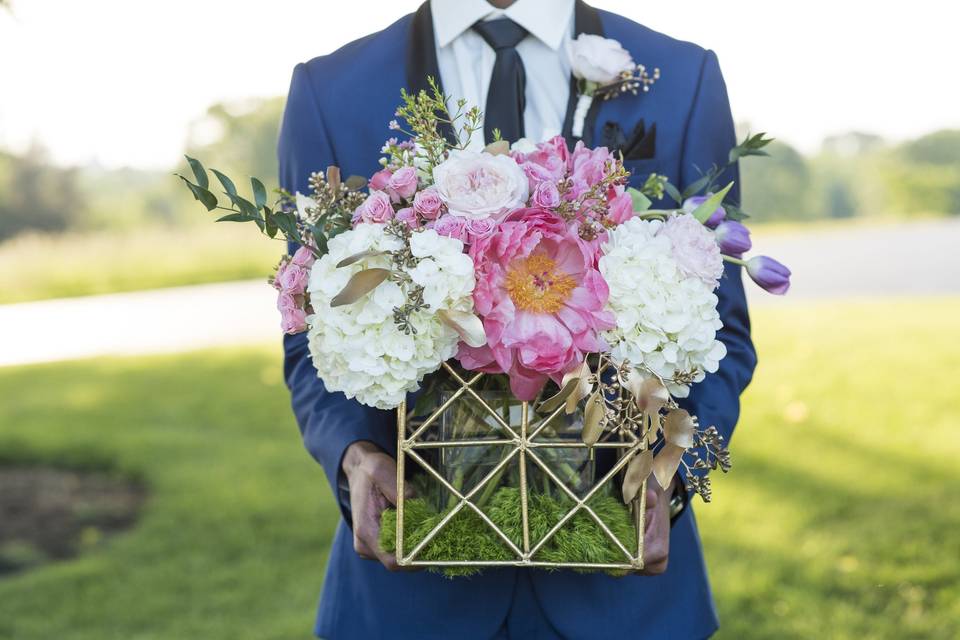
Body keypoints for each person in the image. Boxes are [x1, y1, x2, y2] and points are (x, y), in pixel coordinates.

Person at [278, 1, 756, 637]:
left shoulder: (679, 75)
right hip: (410, 597)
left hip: (623, 600)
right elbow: (310, 328)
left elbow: (721, 328)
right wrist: (353, 455)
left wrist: (669, 471)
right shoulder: (331, 90)